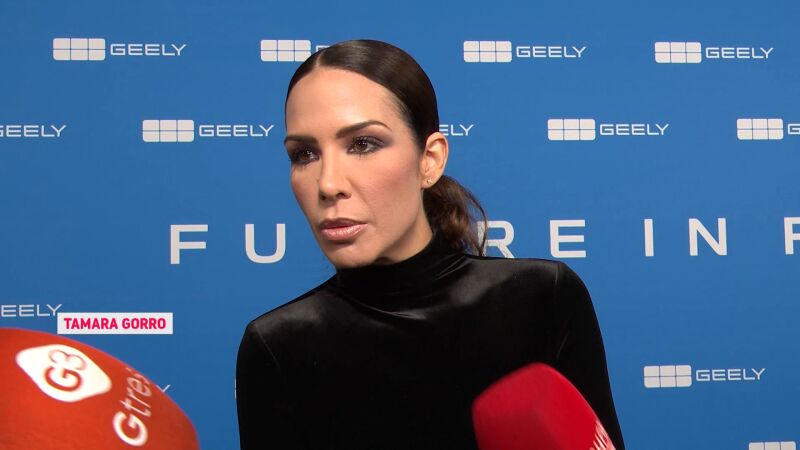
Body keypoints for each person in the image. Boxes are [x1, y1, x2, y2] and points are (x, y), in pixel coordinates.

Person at [236, 39, 624, 450]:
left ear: (430, 159)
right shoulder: (278, 345)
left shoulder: (543, 299)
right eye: (304, 154)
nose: (328, 184)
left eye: (362, 144)